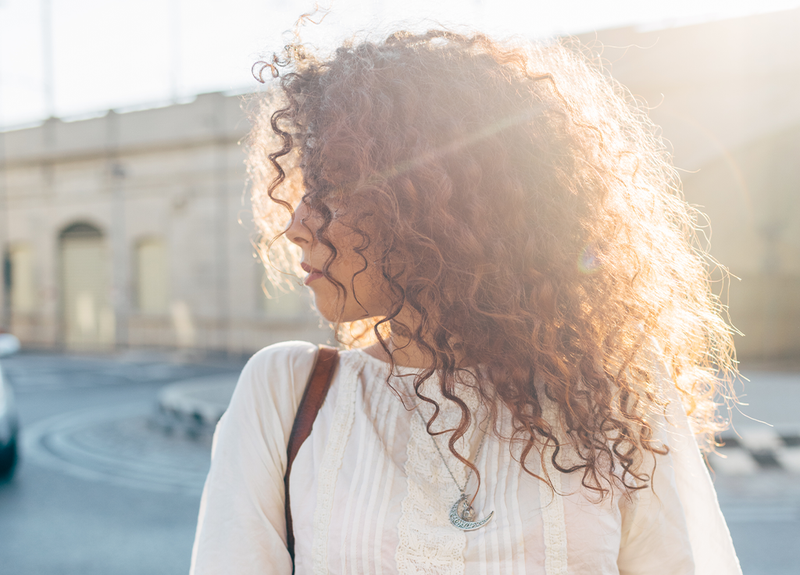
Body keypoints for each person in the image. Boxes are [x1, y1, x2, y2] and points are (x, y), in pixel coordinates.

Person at [191, 28, 742, 574]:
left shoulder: (614, 391)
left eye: (331, 191)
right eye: (300, 192)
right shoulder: (287, 392)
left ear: (437, 205)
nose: (295, 226)